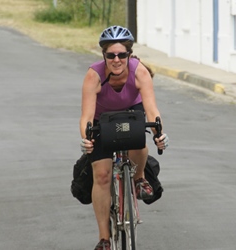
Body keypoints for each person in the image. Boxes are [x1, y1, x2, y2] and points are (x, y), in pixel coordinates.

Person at [79, 25, 169, 250]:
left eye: (121, 54)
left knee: (139, 139)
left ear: (129, 54)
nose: (116, 60)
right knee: (101, 175)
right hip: (103, 120)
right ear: (104, 56)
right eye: (111, 55)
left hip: (132, 113)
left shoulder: (140, 72)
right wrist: (86, 138)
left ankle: (139, 178)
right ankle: (104, 239)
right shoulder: (94, 76)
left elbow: (152, 110)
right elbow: (86, 117)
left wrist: (159, 134)